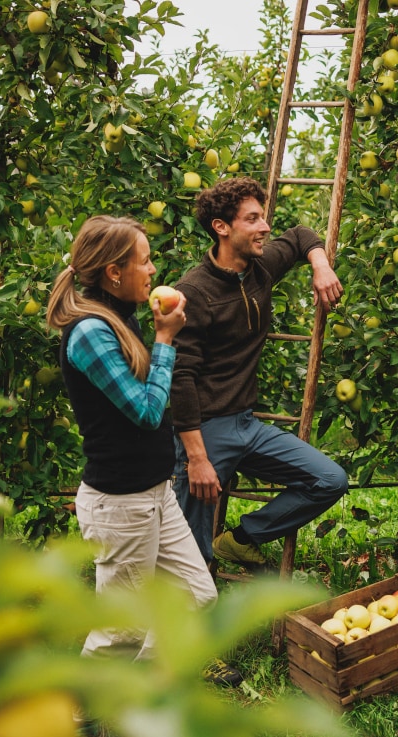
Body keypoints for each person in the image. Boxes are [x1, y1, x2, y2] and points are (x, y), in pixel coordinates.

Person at [46, 215, 241, 688]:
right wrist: (166, 339)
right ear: (114, 272)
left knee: (196, 596)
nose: (153, 270)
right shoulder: (91, 330)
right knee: (125, 627)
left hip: (154, 493)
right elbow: (148, 412)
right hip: (121, 504)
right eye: (145, 260)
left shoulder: (120, 314)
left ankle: (137, 698)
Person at [171, 177, 349, 571]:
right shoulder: (194, 292)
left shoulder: (260, 266)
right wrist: (196, 458)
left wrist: (320, 266)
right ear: (222, 227)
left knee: (329, 480)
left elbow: (302, 235)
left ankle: (242, 538)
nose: (265, 227)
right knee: (190, 553)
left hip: (246, 426)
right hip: (203, 432)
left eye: (263, 217)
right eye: (253, 219)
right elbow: (179, 378)